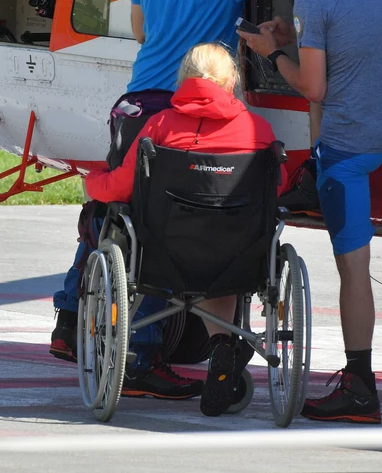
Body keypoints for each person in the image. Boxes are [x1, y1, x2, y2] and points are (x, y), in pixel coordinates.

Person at [49, 0, 317, 400]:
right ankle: (141, 356)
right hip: (182, 111)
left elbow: (144, 30)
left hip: (136, 101)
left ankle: (69, 318)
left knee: (115, 217)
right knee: (174, 226)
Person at [238, 0, 382, 424]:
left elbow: (313, 87)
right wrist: (292, 37)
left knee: (352, 272)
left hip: (352, 145)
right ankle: (318, 174)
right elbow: (352, 45)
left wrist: (272, 53)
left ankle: (361, 387)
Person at [85, 43, 285, 417]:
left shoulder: (159, 126)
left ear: (184, 79)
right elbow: (277, 185)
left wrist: (92, 182)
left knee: (182, 243)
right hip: (236, 256)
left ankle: (166, 349)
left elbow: (121, 187)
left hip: (164, 255)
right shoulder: (257, 129)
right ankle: (223, 344)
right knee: (220, 251)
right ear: (231, 81)